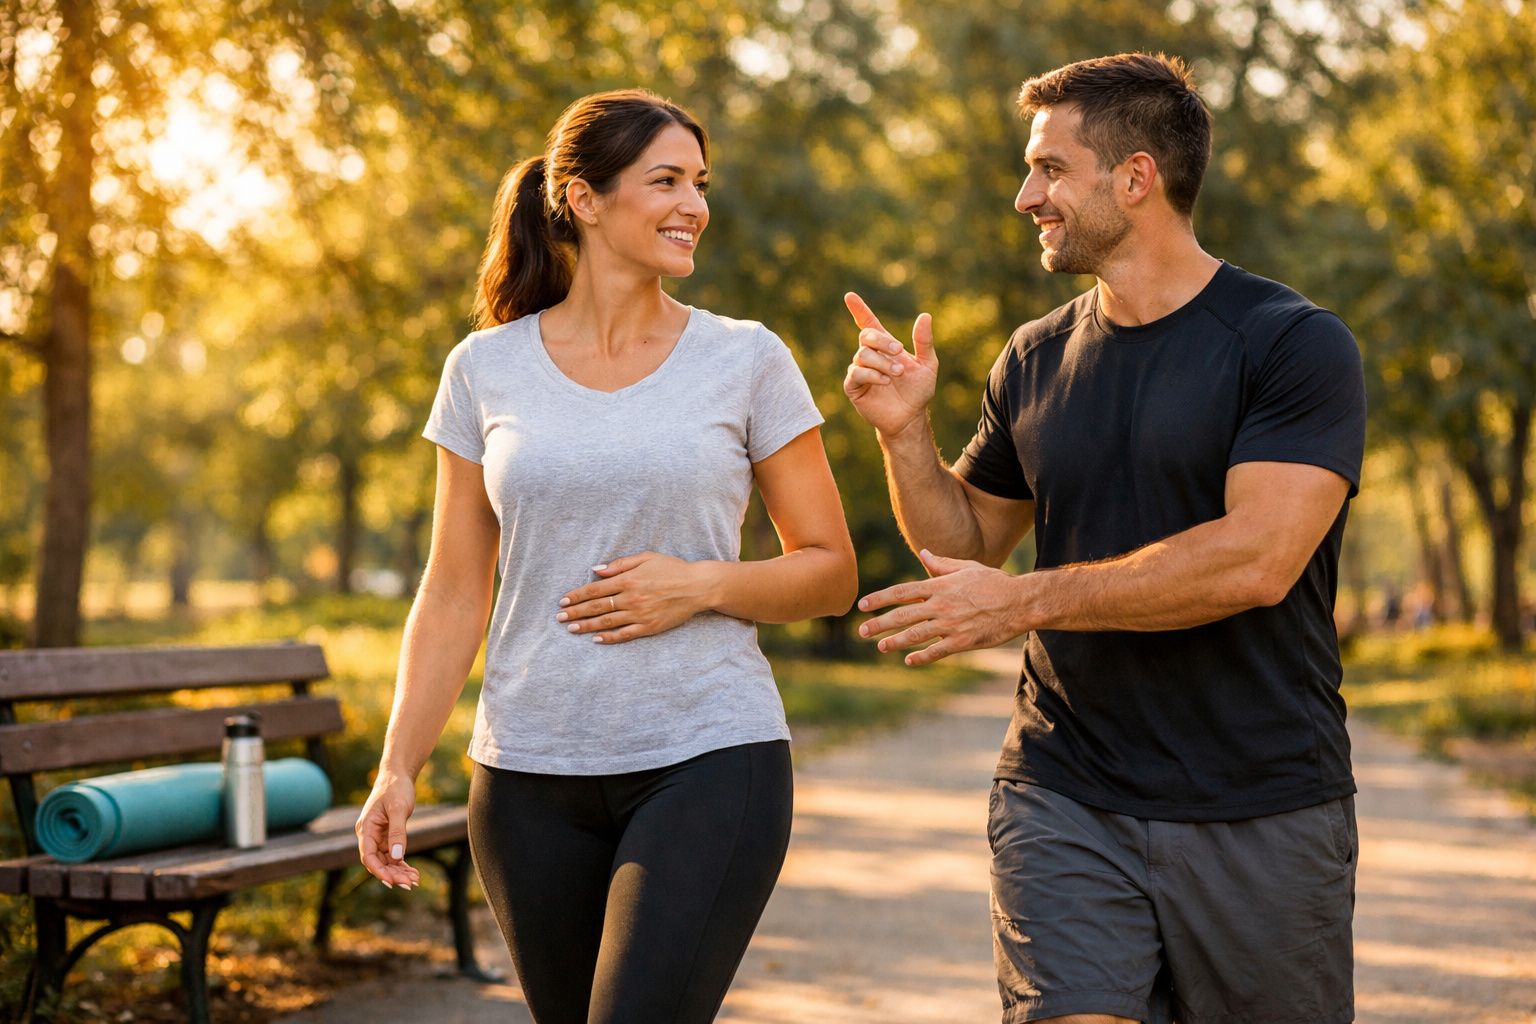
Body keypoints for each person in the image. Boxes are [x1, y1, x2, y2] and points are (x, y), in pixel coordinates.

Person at [843, 53, 1366, 1024]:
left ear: (1135, 178)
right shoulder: (1035, 356)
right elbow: (965, 544)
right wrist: (904, 435)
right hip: (1064, 788)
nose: (1023, 195)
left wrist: (1027, 600)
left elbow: (1259, 558)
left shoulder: (1291, 344)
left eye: (1049, 169)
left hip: (1262, 803)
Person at [355, 89, 858, 1024]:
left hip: (708, 754)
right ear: (583, 199)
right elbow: (455, 589)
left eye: (700, 184)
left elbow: (831, 570)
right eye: (664, 181)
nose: (693, 206)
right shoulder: (483, 368)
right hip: (525, 776)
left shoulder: (746, 359)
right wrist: (398, 766)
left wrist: (704, 585)